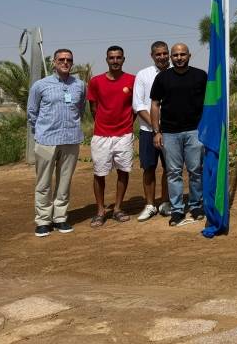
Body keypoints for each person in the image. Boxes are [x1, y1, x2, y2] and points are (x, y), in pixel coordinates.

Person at [27, 48, 86, 237]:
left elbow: (81, 109)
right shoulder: (40, 85)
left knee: (64, 181)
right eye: (61, 59)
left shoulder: (80, 85)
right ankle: (43, 220)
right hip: (46, 140)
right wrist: (40, 131)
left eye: (69, 59)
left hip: (71, 140)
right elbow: (32, 112)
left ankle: (60, 217)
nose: (65, 62)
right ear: (54, 62)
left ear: (72, 62)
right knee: (43, 182)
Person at [149, 43, 207, 227]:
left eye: (182, 54)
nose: (179, 58)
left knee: (195, 170)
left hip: (195, 131)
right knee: (173, 173)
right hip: (169, 133)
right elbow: (155, 104)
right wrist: (156, 132)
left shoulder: (201, 76)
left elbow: (209, 103)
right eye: (175, 55)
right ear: (171, 57)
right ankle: (177, 210)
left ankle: (196, 205)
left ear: (189, 55)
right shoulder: (162, 78)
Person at [87, 46, 136, 227]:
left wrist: (126, 124)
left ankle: (117, 208)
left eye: (118, 57)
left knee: (123, 171)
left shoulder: (132, 80)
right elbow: (93, 108)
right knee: (99, 173)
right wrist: (104, 124)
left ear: (124, 59)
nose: (115, 61)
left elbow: (135, 107)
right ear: (106, 60)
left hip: (124, 134)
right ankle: (100, 211)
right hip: (101, 135)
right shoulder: (96, 81)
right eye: (112, 58)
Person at [132, 41, 171, 221]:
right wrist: (156, 127)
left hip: (171, 131)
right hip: (148, 130)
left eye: (164, 53)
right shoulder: (143, 75)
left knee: (170, 168)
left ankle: (165, 202)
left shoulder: (176, 72)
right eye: (158, 54)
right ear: (152, 55)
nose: (162, 57)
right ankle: (149, 205)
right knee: (149, 167)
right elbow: (138, 105)